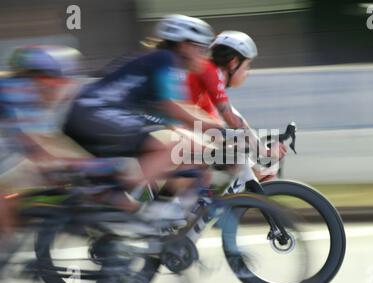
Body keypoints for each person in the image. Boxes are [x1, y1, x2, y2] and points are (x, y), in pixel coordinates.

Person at [63, 14, 223, 227]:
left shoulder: (160, 62)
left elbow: (171, 121)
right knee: (173, 145)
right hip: (96, 113)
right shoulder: (165, 60)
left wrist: (208, 142)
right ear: (184, 46)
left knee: (191, 150)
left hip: (91, 115)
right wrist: (220, 128)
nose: (205, 56)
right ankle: (118, 197)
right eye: (202, 49)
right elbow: (173, 106)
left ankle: (154, 209)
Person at [0, 45, 83, 236]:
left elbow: (46, 137)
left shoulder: (29, 90)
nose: (58, 85)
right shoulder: (14, 89)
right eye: (52, 79)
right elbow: (29, 138)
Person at [187, 31, 287, 180]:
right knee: (236, 151)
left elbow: (233, 120)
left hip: (184, 133)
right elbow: (233, 121)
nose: (248, 72)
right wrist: (264, 153)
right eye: (247, 66)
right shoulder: (210, 71)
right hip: (175, 133)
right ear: (233, 62)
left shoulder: (210, 79)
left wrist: (262, 152)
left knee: (246, 161)